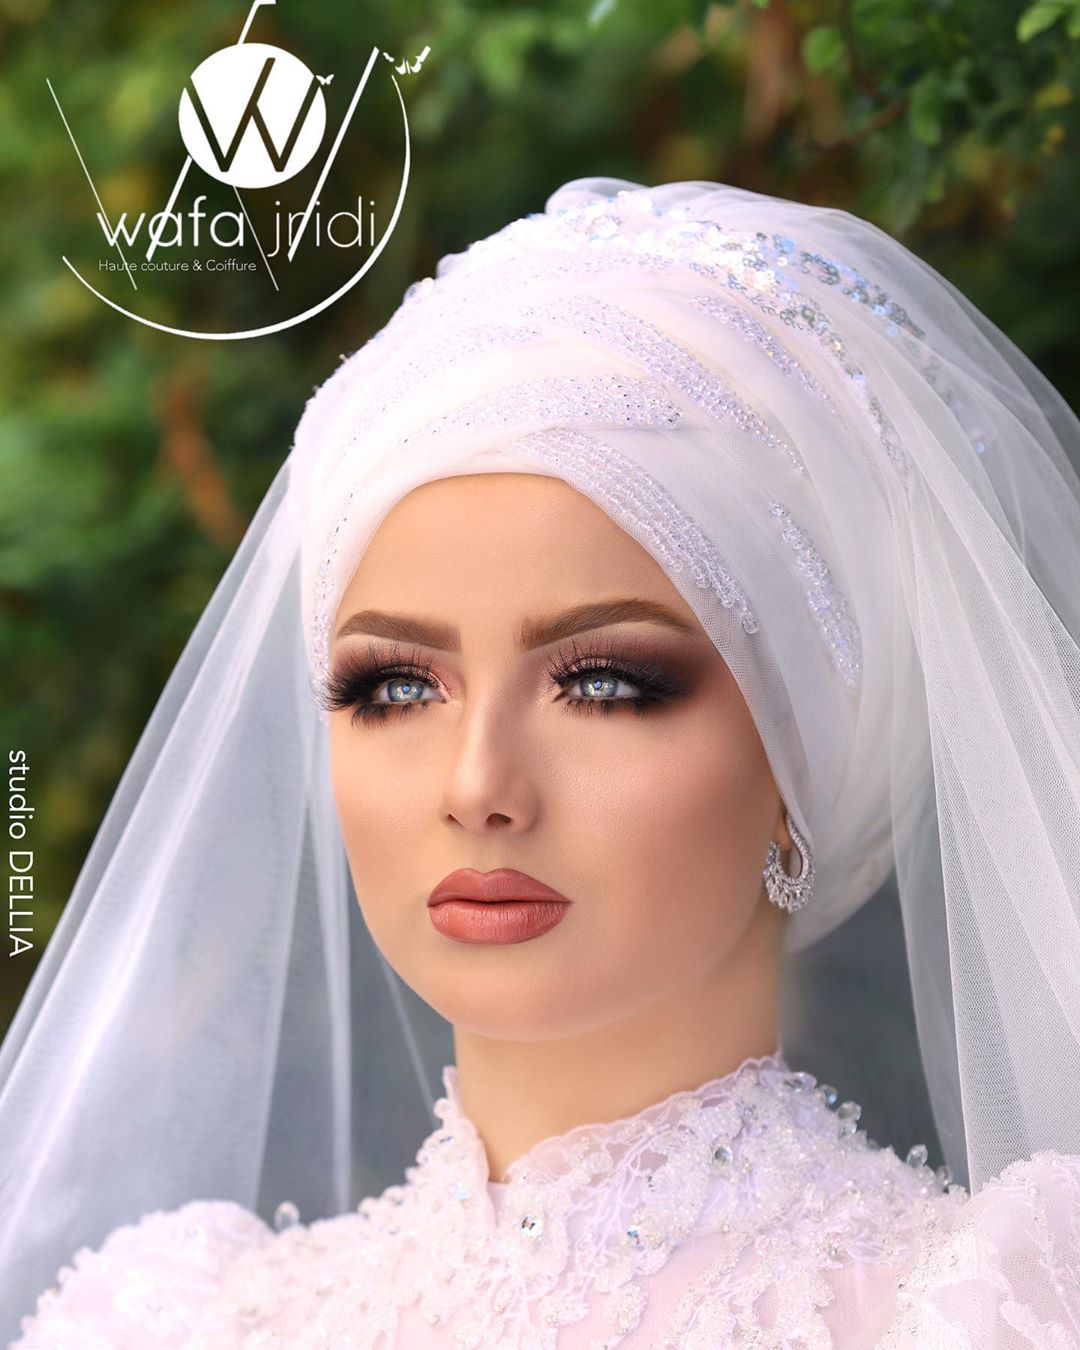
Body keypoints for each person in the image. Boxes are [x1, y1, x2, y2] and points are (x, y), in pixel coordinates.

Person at [4, 176, 1080, 1348]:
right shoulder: (174, 1323)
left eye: (605, 684)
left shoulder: (983, 1310)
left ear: (799, 757)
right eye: (395, 688)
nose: (478, 788)